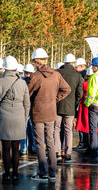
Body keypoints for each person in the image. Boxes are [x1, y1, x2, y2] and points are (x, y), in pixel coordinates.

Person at [28, 48, 71, 181]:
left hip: (38, 112)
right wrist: (54, 99)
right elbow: (66, 89)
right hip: (51, 112)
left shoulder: (35, 76)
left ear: (37, 61)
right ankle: (52, 172)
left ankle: (43, 172)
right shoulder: (56, 74)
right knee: (50, 142)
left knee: (40, 143)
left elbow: (27, 94)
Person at [0, 56, 30, 185]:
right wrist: (24, 119)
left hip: (3, 117)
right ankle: (16, 174)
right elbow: (27, 104)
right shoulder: (22, 82)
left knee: (6, 148)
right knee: (16, 147)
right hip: (18, 117)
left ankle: (7, 174)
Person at [55, 53, 84, 163]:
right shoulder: (77, 75)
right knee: (68, 131)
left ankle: (57, 152)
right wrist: (74, 103)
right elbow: (79, 93)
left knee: (56, 130)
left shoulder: (57, 73)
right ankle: (67, 154)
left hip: (57, 106)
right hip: (70, 107)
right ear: (73, 63)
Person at [20, 64, 36, 156]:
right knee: (32, 129)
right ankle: (33, 147)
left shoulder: (22, 82)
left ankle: (23, 149)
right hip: (33, 108)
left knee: (24, 129)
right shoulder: (35, 82)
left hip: (24, 108)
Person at [75, 67, 93, 152]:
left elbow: (80, 94)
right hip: (92, 106)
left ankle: (83, 143)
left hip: (84, 106)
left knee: (82, 125)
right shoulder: (94, 84)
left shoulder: (84, 84)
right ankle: (91, 143)